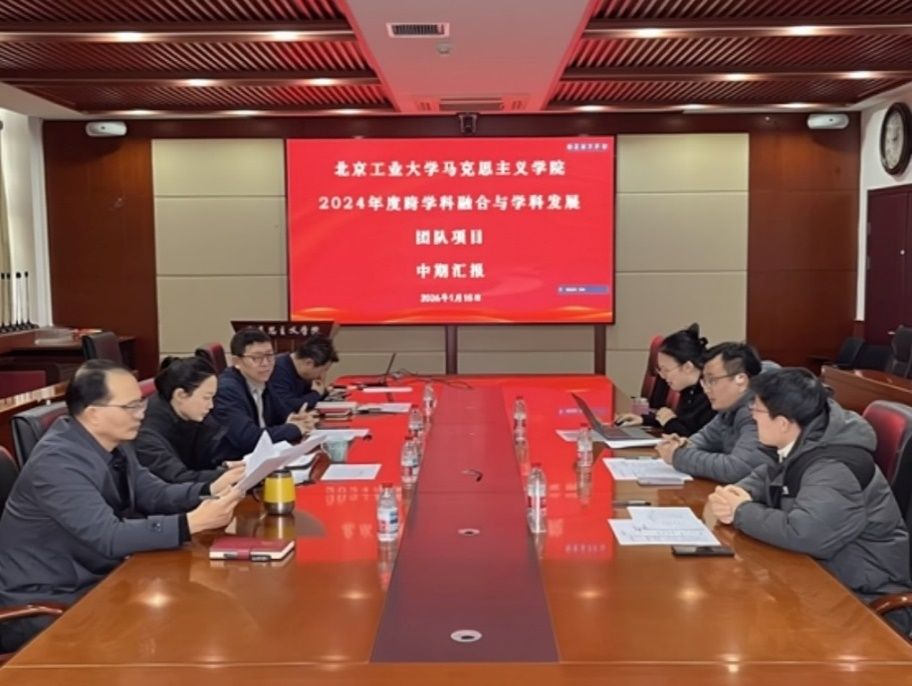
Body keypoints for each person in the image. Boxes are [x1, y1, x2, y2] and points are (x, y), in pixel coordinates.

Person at [0, 360, 244, 652]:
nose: (141, 414)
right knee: (175, 629)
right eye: (130, 407)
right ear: (94, 414)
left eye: (140, 403)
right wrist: (191, 523)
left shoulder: (115, 443)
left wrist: (210, 489)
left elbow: (154, 493)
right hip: (48, 601)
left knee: (194, 608)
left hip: (98, 579)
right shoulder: (56, 463)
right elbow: (109, 535)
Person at [708, 367, 912, 634]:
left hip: (860, 598)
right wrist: (738, 492)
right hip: (821, 578)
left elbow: (804, 534)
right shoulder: (807, 441)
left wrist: (741, 511)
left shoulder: (834, 468)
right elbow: (770, 474)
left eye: (756, 410)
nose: (752, 416)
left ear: (783, 423)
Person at [658, 342, 775, 483]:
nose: (706, 389)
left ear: (741, 381)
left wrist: (678, 456)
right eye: (704, 381)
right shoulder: (730, 406)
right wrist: (683, 445)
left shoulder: (759, 410)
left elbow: (737, 469)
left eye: (712, 381)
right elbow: (706, 437)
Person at [135, 356, 244, 484]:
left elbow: (213, 452)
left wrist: (227, 465)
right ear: (180, 395)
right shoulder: (146, 434)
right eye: (206, 398)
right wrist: (229, 475)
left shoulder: (193, 415)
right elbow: (178, 479)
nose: (211, 405)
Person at [211, 328, 317, 457]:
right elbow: (248, 438)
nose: (266, 363)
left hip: (261, 456)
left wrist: (293, 418)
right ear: (236, 362)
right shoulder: (227, 390)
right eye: (256, 358)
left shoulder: (262, 378)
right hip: (234, 462)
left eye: (269, 355)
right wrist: (296, 428)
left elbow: (281, 412)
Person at [616, 324, 714, 436]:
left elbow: (693, 438)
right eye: (660, 370)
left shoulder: (711, 395)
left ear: (688, 367)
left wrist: (669, 422)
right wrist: (644, 420)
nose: (662, 376)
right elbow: (682, 422)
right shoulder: (690, 389)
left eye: (666, 370)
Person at [269, 334, 340, 413]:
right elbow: (288, 405)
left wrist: (323, 392)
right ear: (309, 363)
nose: (322, 375)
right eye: (323, 370)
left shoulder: (303, 373)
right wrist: (316, 394)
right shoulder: (277, 370)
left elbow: (308, 396)